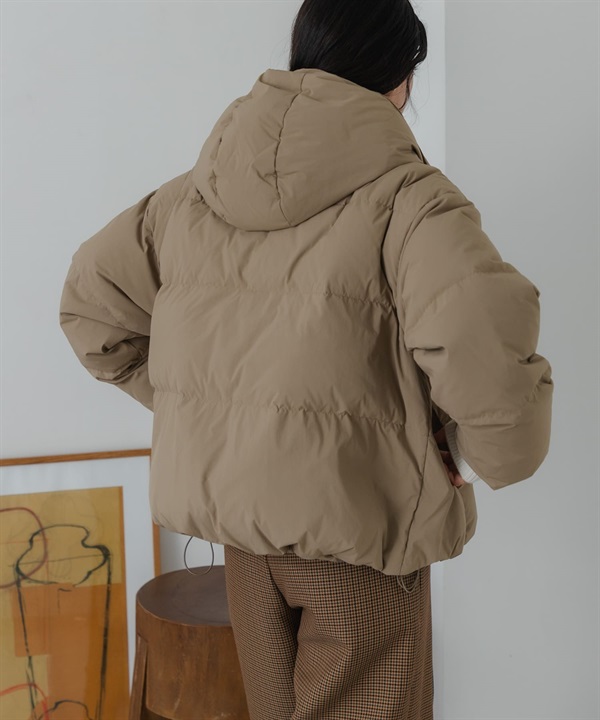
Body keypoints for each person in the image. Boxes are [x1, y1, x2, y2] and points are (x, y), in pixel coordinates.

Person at [58, 0, 554, 717]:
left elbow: (89, 310)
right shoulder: (409, 200)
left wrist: (214, 416)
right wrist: (477, 457)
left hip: (243, 542)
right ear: (401, 77)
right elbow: (484, 341)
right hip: (358, 534)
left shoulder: (191, 195)